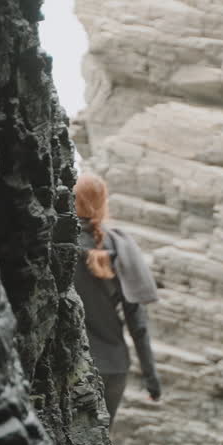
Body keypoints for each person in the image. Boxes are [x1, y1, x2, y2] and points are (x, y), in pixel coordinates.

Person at [72, 173, 161, 429]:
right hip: (114, 368)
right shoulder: (121, 246)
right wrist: (151, 379)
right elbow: (138, 323)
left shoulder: (58, 244)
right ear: (102, 203)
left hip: (76, 366)